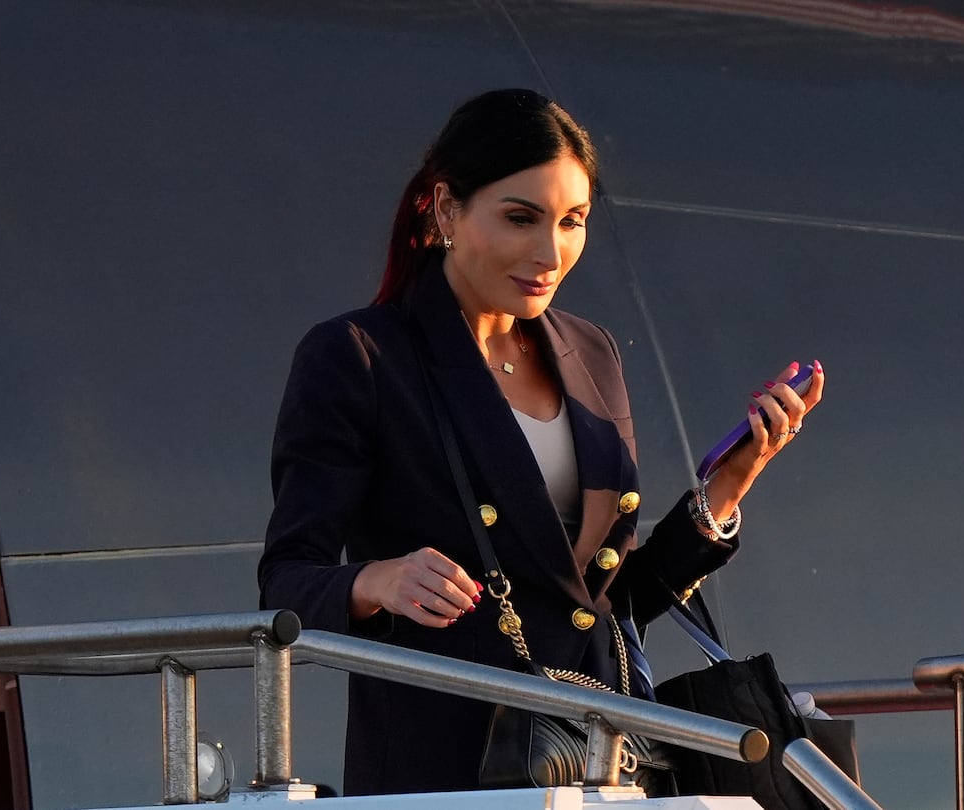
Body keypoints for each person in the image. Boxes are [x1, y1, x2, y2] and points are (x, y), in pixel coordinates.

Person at [257, 88, 825, 796]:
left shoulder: (591, 351)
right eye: (520, 218)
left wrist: (729, 487)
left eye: (573, 221)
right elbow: (284, 582)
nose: (550, 252)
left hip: (597, 765)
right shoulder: (361, 356)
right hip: (449, 771)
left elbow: (595, 606)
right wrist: (376, 581)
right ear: (445, 210)